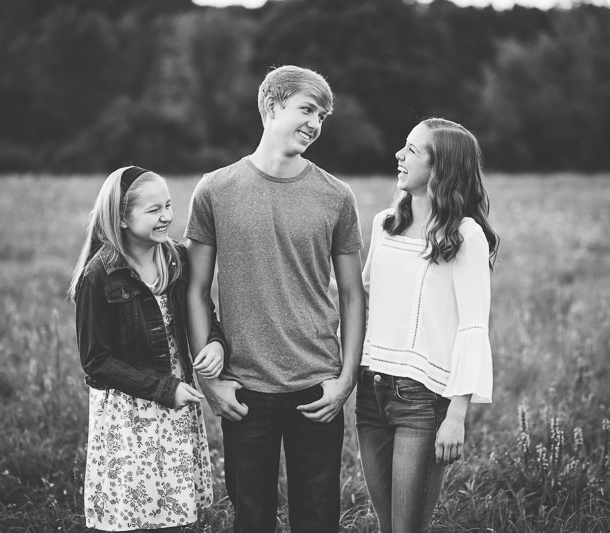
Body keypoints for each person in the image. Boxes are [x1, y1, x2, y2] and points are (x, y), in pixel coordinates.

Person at [184, 65, 366, 533]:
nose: (315, 123)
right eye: (306, 109)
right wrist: (211, 382)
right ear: (270, 107)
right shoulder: (215, 190)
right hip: (244, 389)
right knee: (252, 518)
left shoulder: (336, 196)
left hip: (317, 386)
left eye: (322, 115)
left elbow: (351, 294)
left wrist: (344, 380)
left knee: (318, 519)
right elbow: (196, 290)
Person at [357, 118, 498, 533]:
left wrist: (456, 415)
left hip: (423, 399)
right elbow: (362, 293)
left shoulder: (465, 236)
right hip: (371, 390)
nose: (399, 156)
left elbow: (474, 327)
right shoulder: (386, 223)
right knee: (390, 526)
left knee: (406, 529)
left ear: (441, 169)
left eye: (413, 150)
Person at [68, 166, 226, 533]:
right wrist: (163, 389)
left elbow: (203, 309)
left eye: (168, 205)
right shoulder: (100, 276)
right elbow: (96, 361)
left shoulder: (177, 259)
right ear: (122, 217)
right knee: (135, 516)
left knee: (173, 513)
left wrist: (215, 341)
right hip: (129, 412)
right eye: (154, 210)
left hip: (177, 401)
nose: (167, 216)